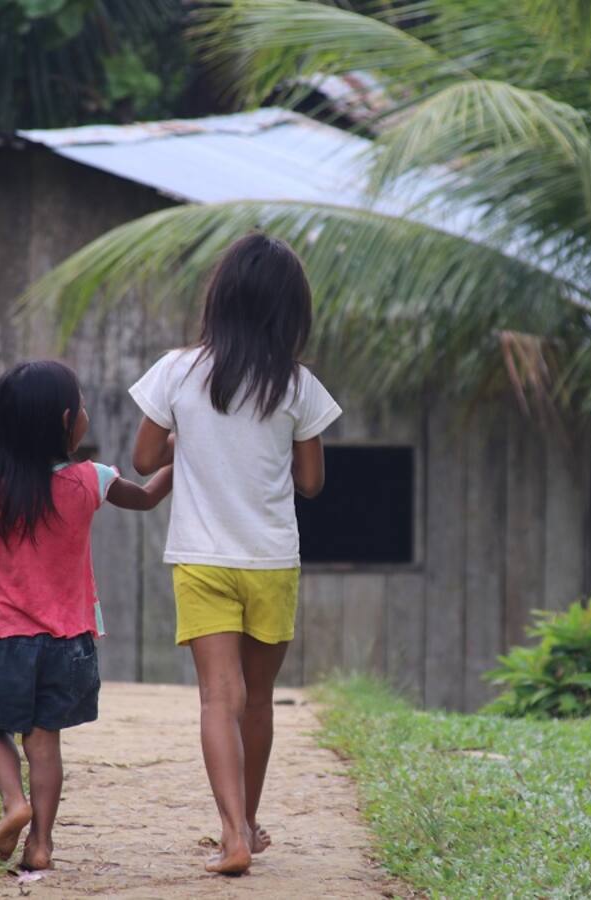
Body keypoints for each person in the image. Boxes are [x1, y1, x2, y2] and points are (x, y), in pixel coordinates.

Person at [128, 233, 341, 875]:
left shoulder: (178, 370)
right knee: (257, 699)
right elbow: (310, 483)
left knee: (217, 698)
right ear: (290, 310)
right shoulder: (298, 386)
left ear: (219, 299)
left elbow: (142, 460)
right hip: (271, 559)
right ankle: (249, 819)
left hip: (202, 558)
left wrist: (189, 442)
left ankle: (231, 835)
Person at [0, 360, 173, 869]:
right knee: (45, 740)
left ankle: (14, 804)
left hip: (6, 635)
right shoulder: (90, 479)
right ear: (69, 419)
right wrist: (180, 453)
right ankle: (42, 845)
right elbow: (144, 498)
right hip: (69, 641)